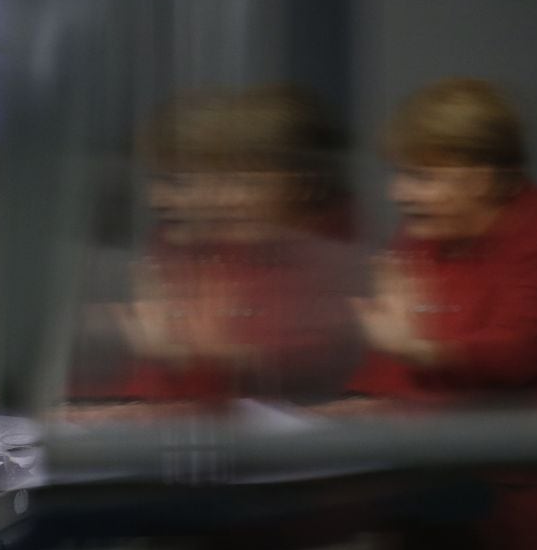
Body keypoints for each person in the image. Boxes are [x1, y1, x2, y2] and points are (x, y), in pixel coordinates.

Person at [341, 77, 537, 550]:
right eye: (399, 174)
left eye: (420, 177)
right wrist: (360, 403)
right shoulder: (426, 233)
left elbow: (514, 357)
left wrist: (418, 348)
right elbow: (391, 345)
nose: (399, 193)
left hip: (528, 539)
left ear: (482, 178)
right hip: (433, 523)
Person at [70, 84, 362, 408]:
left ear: (299, 186)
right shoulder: (188, 248)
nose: (156, 199)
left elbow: (306, 369)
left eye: (179, 183)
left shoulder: (320, 259)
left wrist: (211, 352)